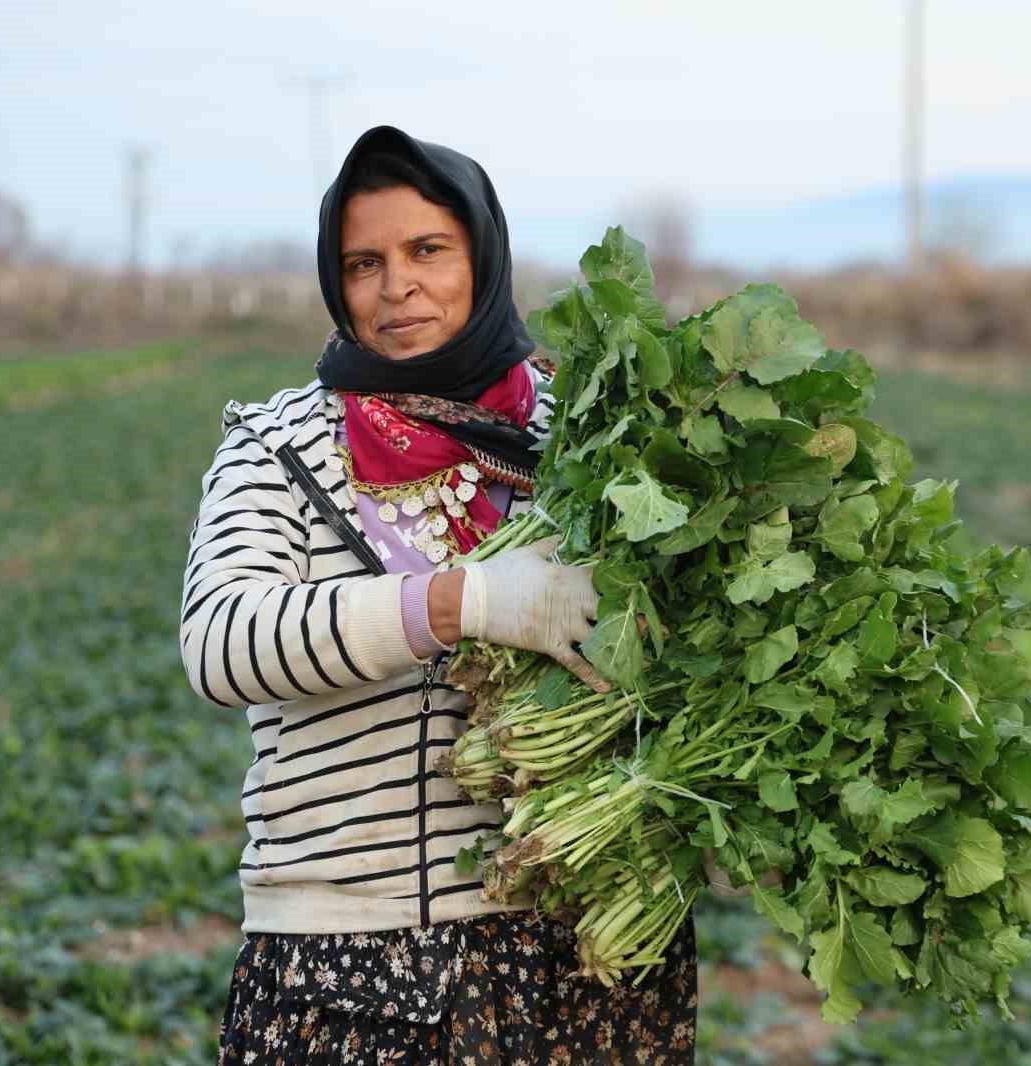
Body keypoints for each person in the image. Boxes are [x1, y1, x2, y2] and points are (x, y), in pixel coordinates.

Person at [179, 125, 696, 1065]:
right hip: (352, 958)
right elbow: (222, 642)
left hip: (585, 947)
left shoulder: (588, 429)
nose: (396, 285)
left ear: (482, 257)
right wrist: (459, 604)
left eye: (428, 251)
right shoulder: (283, 444)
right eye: (364, 261)